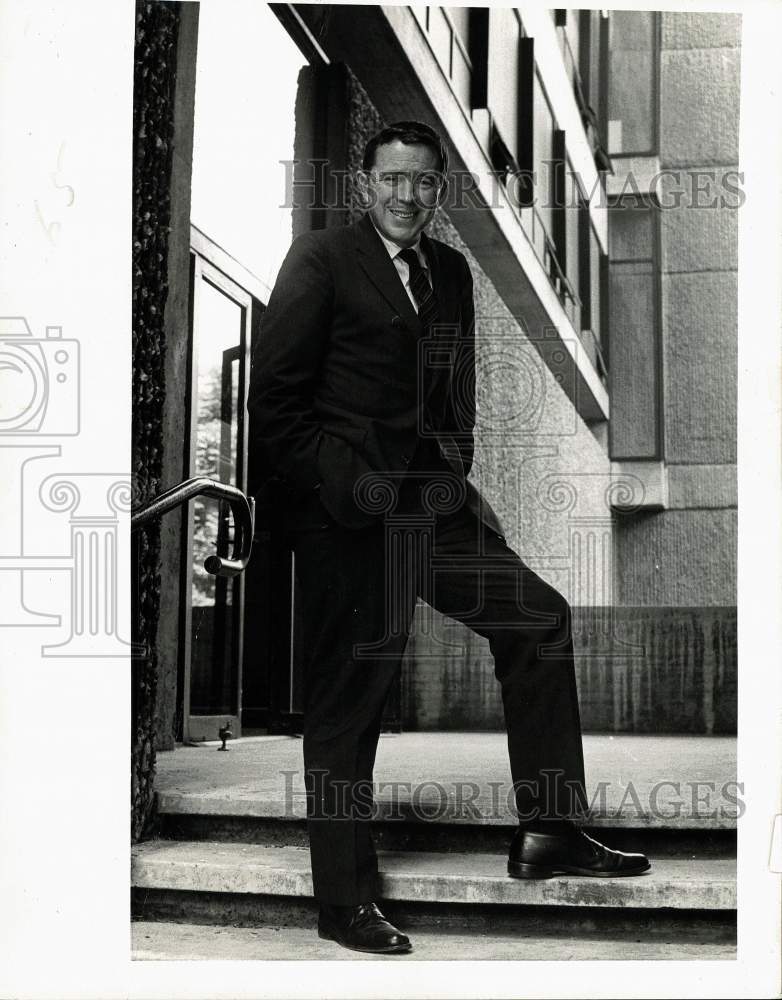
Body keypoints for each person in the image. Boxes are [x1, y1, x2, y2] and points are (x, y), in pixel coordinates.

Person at [248, 120, 650, 956]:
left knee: (538, 620)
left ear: (439, 190)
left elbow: (452, 390)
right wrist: (348, 487)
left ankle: (549, 828)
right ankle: (344, 902)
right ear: (367, 184)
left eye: (423, 182)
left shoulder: (452, 272)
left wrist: (451, 469)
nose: (407, 195)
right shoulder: (321, 260)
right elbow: (278, 410)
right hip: (349, 517)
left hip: (432, 509)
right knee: (349, 702)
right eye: (392, 179)